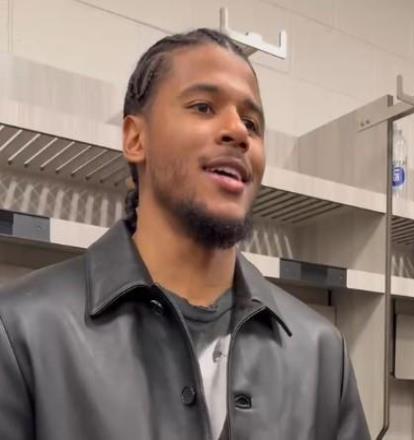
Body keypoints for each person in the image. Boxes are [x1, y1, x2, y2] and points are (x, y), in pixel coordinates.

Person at [0, 28, 370, 439]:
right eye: (203, 107)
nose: (238, 132)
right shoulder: (18, 331)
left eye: (251, 123)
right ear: (135, 138)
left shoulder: (322, 355)